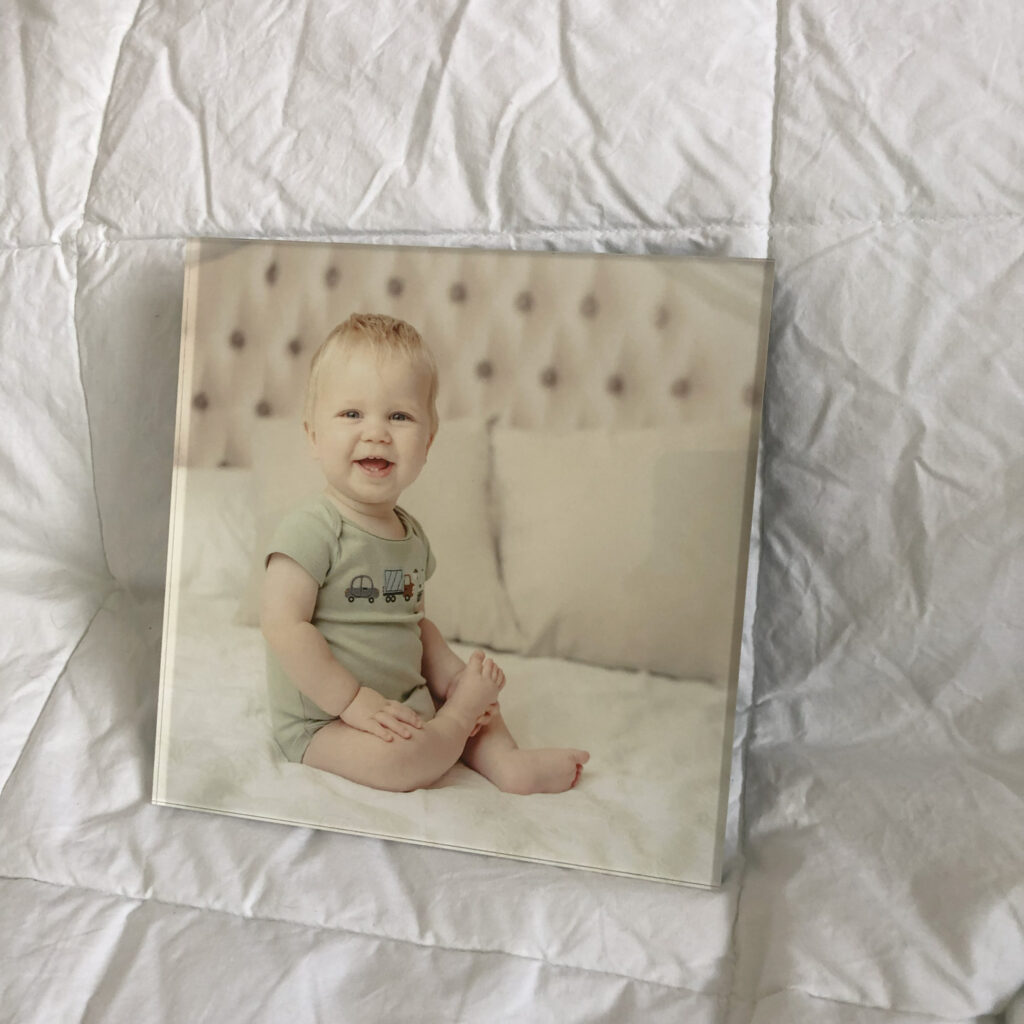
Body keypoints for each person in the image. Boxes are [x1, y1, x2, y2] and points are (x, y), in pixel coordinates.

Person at [260, 313, 589, 794]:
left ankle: (507, 763)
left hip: (404, 703)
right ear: (313, 435)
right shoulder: (311, 528)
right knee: (404, 762)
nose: (376, 432)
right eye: (352, 414)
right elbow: (283, 627)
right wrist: (353, 702)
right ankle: (455, 724)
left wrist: (453, 679)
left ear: (428, 441)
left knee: (478, 715)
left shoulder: (410, 536)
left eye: (399, 416)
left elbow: (413, 625)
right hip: (326, 721)